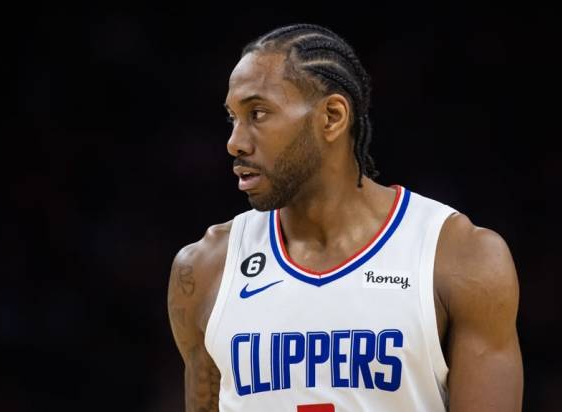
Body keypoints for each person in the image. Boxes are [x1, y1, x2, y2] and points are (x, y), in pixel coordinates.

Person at [168, 23, 523, 412]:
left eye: (258, 113)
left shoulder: (459, 257)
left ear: (333, 116)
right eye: (232, 118)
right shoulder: (204, 268)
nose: (235, 141)